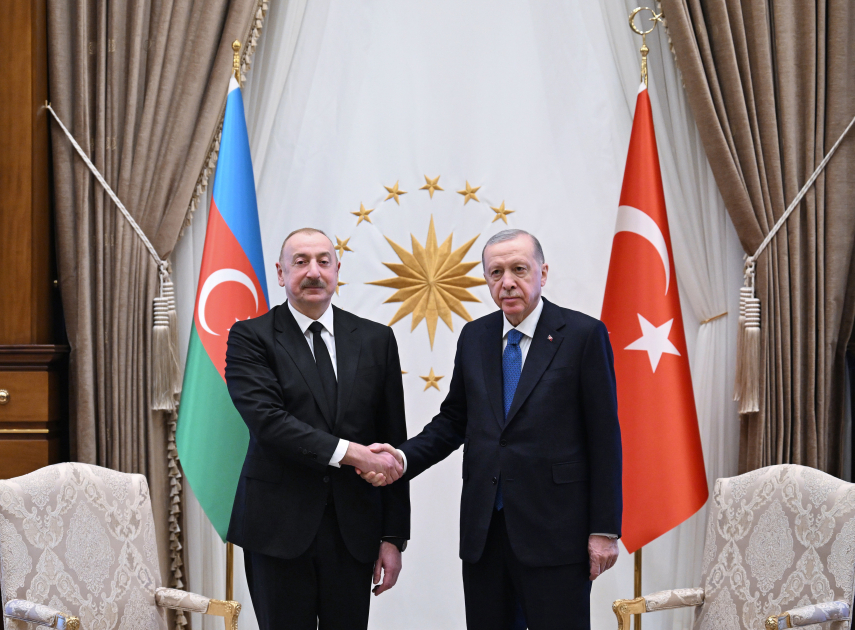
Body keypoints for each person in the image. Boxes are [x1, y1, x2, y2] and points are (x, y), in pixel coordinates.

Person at [360, 229, 622, 630]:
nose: (507, 282)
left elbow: (605, 439)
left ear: (542, 273)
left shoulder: (583, 335)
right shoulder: (475, 336)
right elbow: (454, 421)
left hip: (556, 533)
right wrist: (401, 457)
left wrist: (604, 529)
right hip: (485, 534)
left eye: (519, 269)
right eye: (496, 272)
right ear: (486, 279)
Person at [225, 227, 410, 630]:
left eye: (324, 261)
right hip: (277, 529)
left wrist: (393, 537)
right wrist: (353, 453)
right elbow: (269, 422)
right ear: (280, 273)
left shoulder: (377, 339)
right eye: (301, 262)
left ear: (337, 270)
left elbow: (392, 439)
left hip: (354, 532)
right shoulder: (250, 338)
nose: (313, 272)